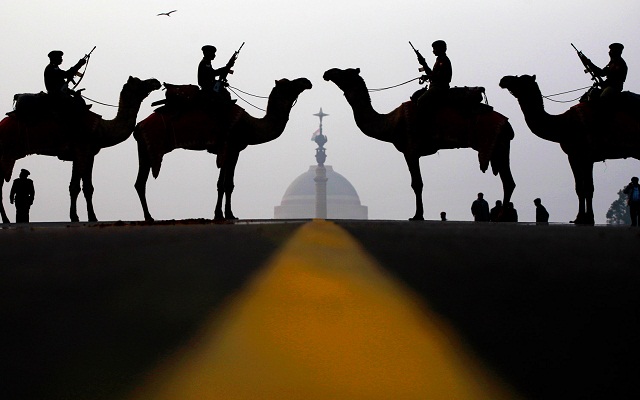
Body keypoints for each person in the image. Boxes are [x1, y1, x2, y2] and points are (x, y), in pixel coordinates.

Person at [44, 50, 88, 114]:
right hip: (56, 96)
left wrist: (72, 92)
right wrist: (79, 64)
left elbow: (61, 83)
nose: (61, 59)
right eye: (59, 57)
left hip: (60, 93)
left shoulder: (55, 68)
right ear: (54, 58)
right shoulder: (51, 69)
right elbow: (66, 74)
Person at [416, 40, 452, 113]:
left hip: (440, 87)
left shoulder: (444, 60)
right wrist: (424, 64)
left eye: (435, 49)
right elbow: (432, 74)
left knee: (421, 101)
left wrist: (427, 76)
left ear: (441, 49)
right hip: (435, 86)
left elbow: (440, 76)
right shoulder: (439, 60)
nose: (433, 51)